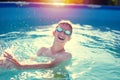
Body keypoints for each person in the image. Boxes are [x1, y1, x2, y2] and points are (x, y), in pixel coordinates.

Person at [0, 20, 73, 69]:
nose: (62, 33)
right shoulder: (42, 50)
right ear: (54, 33)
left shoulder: (66, 55)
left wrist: (20, 66)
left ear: (69, 39)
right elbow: (30, 61)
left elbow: (50, 65)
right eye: (60, 30)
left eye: (67, 32)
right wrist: (12, 62)